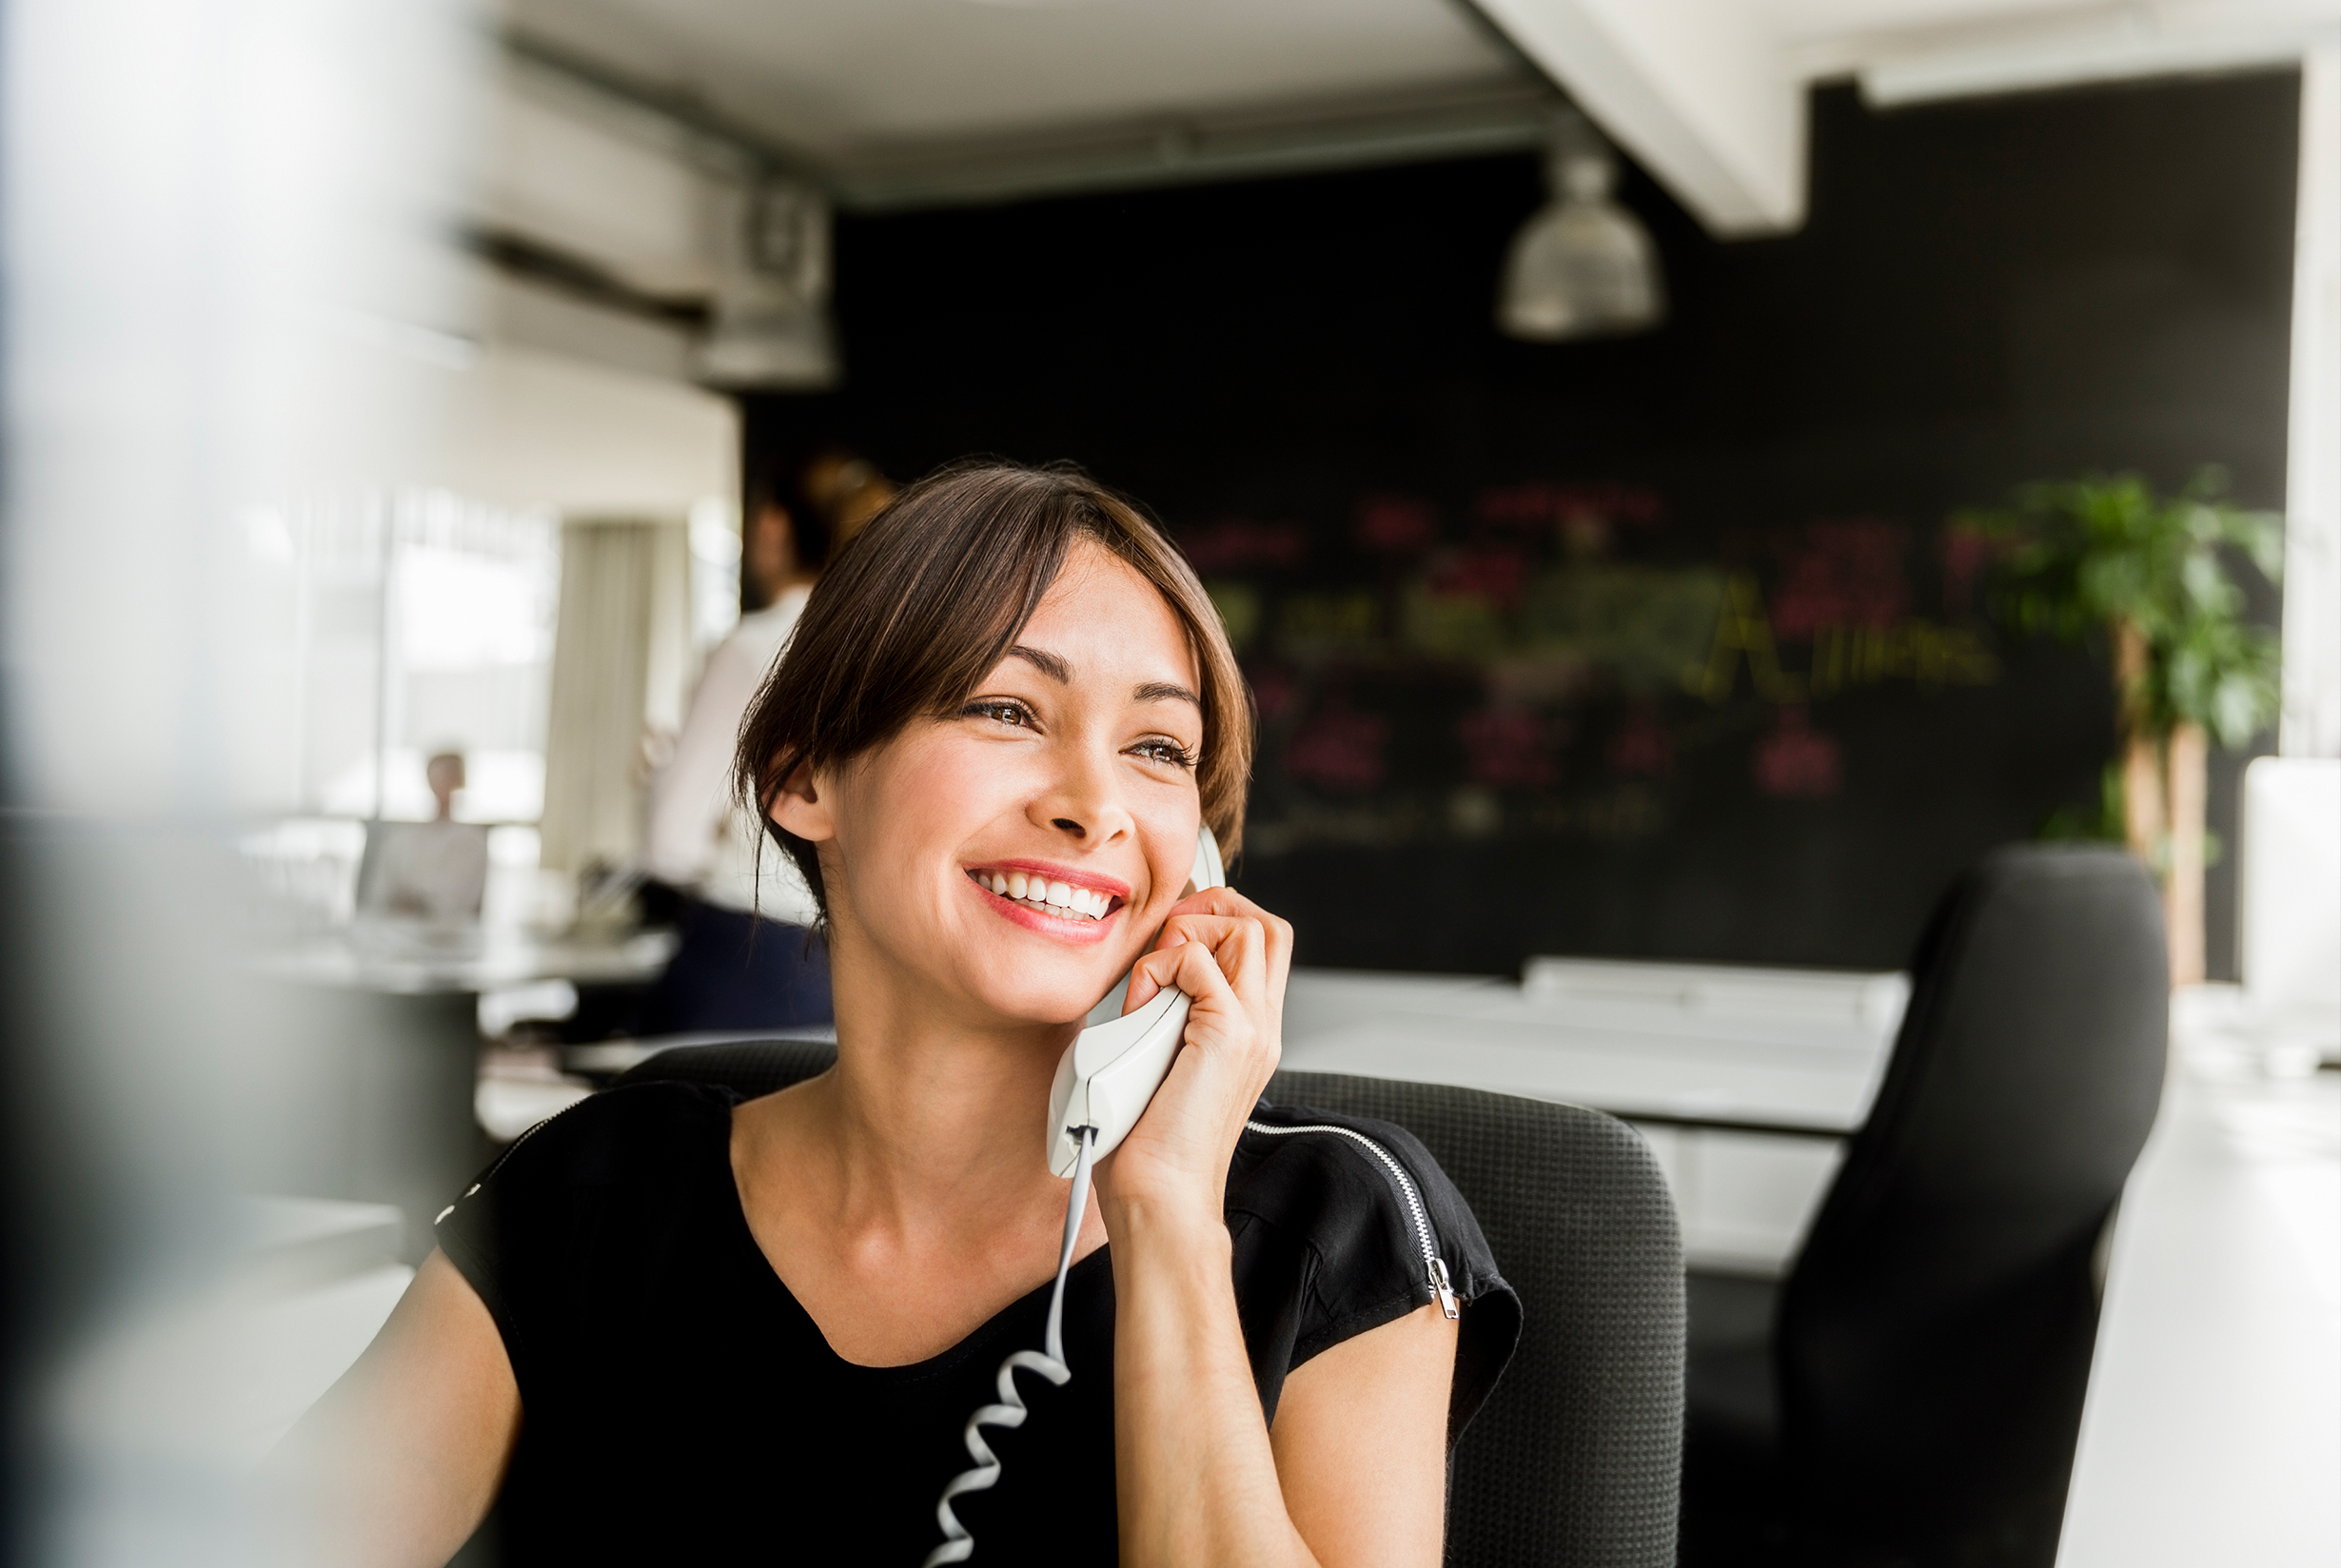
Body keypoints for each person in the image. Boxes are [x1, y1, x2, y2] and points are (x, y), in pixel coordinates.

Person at [282, 463, 1518, 1567]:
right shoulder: (601, 1188)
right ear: (806, 776)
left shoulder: (1334, 1230)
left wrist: (1168, 1220)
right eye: (1007, 712)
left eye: (1156, 748)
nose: (1095, 804)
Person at [639, 458, 890, 1031]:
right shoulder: (889, 655)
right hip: (859, 967)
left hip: (746, 955)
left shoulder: (755, 647)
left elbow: (670, 844)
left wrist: (664, 782)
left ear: (773, 527)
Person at [356, 751, 488, 924]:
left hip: (448, 933)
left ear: (459, 781)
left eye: (448, 777)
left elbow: (456, 901)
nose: (441, 785)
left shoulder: (472, 840)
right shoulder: (401, 838)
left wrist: (419, 903)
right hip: (398, 927)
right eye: (436, 777)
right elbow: (379, 892)